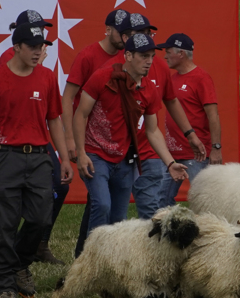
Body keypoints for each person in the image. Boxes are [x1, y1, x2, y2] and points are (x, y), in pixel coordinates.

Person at [0, 25, 74, 298]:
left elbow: (54, 119)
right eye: (32, 46)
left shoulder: (47, 77)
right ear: (16, 47)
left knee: (41, 219)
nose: (38, 52)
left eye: (41, 46)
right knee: (4, 225)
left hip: (40, 157)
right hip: (6, 157)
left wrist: (64, 158)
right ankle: (4, 285)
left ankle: (19, 263)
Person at [72, 32, 188, 234]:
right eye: (143, 56)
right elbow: (80, 115)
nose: (149, 61)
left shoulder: (149, 89)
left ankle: (97, 252)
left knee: (119, 220)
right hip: (95, 155)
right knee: (102, 205)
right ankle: (92, 252)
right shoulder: (101, 77)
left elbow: (153, 131)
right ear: (128, 56)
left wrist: (170, 163)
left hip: (124, 159)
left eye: (152, 56)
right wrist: (81, 153)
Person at [116, 13, 205, 218]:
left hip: (149, 150)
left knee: (152, 209)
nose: (146, 37)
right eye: (139, 33)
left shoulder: (159, 67)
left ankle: (153, 239)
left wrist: (190, 134)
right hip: (117, 151)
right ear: (125, 38)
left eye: (149, 33)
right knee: (109, 208)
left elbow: (171, 101)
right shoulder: (112, 69)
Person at [1, 10, 66, 264]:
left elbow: (52, 113)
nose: (42, 34)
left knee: (59, 185)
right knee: (17, 197)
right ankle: (17, 248)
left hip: (39, 136)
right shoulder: (10, 57)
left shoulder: (41, 65)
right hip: (14, 141)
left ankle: (39, 242)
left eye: (43, 28)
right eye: (37, 28)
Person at [63, 8, 126, 257]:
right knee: (101, 203)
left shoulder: (127, 56)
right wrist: (70, 139)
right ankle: (89, 257)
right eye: (121, 32)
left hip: (115, 144)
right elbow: (68, 97)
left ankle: (84, 254)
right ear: (108, 30)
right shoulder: (88, 56)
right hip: (89, 142)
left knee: (99, 204)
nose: (125, 37)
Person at [158, 33, 223, 205]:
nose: (165, 56)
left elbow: (213, 115)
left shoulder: (201, 78)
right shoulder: (171, 79)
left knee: (204, 201)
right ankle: (169, 223)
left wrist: (216, 148)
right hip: (172, 154)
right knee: (161, 199)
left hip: (197, 155)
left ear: (181, 53)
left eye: (168, 52)